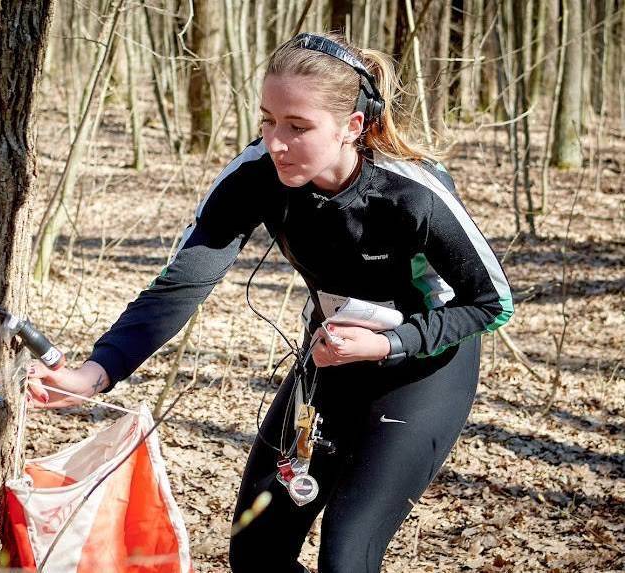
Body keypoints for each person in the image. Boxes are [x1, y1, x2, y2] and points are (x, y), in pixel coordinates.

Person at [27, 32, 513, 573]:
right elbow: (183, 282)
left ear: (353, 125)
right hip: (330, 359)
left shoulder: (412, 192)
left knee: (346, 555)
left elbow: (492, 302)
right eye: (267, 120)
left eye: (298, 127)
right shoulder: (257, 175)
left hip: (425, 370)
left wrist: (387, 342)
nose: (276, 142)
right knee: (256, 551)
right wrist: (96, 373)